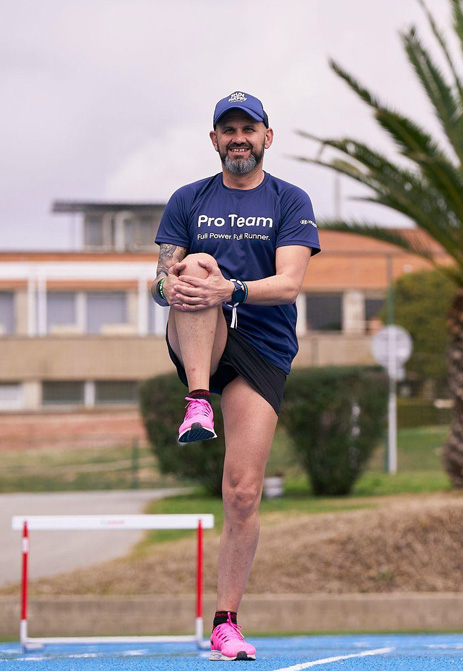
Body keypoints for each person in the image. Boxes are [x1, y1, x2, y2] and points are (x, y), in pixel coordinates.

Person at [151, 91, 320, 661]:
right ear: (214, 139)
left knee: (242, 494)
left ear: (267, 136)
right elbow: (158, 280)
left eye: (249, 128)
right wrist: (169, 286)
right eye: (229, 129)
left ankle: (226, 621)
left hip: (265, 346)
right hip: (202, 334)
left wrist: (234, 289)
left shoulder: (289, 200)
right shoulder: (187, 200)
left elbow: (291, 284)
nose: (238, 137)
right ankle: (197, 399)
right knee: (192, 264)